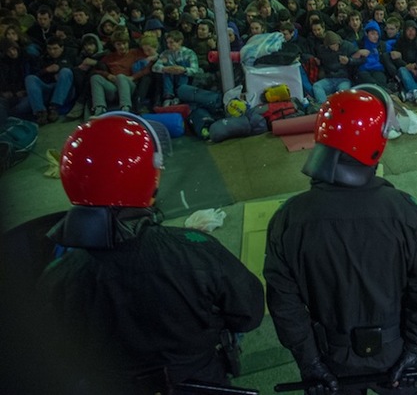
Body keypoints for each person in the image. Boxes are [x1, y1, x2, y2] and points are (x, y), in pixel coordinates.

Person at [37, 113, 264, 391]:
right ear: (150, 178)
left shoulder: (56, 276)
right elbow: (249, 312)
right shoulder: (194, 249)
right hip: (197, 377)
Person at [264, 88, 417, 394]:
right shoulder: (406, 212)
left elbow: (285, 304)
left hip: (329, 354)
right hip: (396, 349)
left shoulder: (288, 219)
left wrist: (309, 361)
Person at [24, 36, 73, 125]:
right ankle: (40, 112)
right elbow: (36, 74)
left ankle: (54, 108)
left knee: (65, 72)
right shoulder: (43, 58)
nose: (52, 51)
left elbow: (77, 71)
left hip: (65, 90)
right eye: (49, 49)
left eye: (55, 48)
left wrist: (60, 68)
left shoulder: (70, 56)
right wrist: (46, 70)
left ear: (61, 48)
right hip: (47, 88)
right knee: (30, 78)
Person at [152, 29, 200, 106]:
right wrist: (166, 69)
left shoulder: (189, 53)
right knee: (166, 69)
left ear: (180, 42)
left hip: (183, 77)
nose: (168, 45)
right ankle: (168, 96)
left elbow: (195, 70)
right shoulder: (166, 53)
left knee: (183, 65)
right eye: (167, 43)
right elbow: (155, 67)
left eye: (171, 42)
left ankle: (179, 94)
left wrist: (183, 70)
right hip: (170, 77)